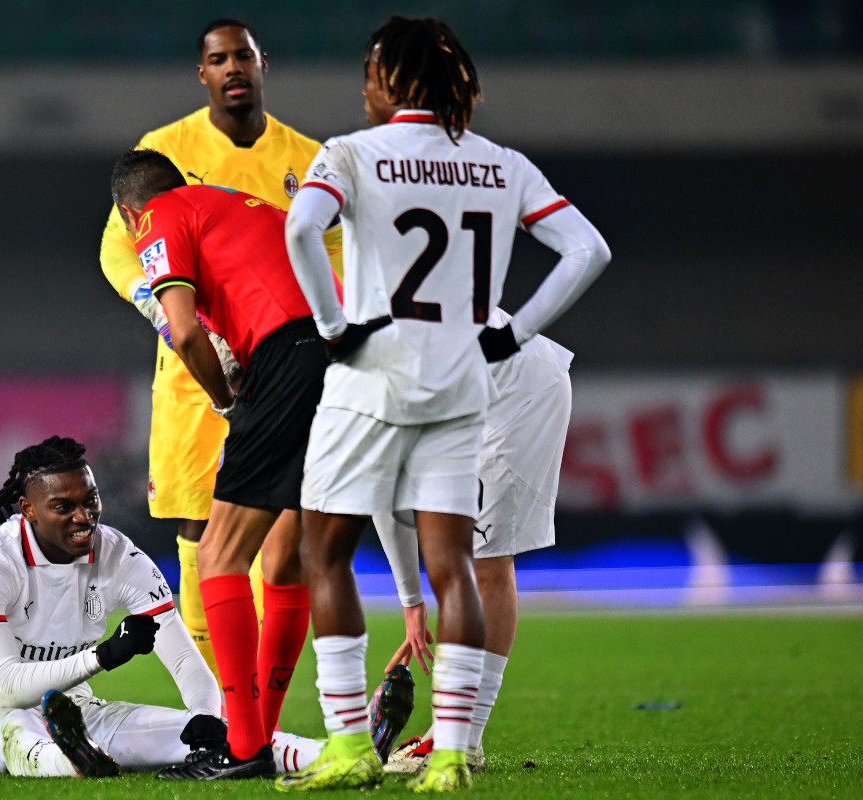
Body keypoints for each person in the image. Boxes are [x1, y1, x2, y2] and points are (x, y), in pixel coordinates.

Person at [280, 15, 610, 793]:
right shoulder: (501, 165)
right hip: (463, 378)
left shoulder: (350, 155)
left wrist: (335, 327)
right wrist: (514, 328)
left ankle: (350, 746)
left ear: (390, 79)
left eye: (369, 71)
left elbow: (302, 229)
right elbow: (587, 250)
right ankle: (455, 753)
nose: (363, 87)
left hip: (375, 373)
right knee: (454, 563)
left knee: (323, 552)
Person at [98, 17, 341, 682]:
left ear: (265, 65)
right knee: (198, 533)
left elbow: (337, 254)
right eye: (218, 59)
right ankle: (225, 700)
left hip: (276, 362)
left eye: (244, 56)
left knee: (275, 539)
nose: (233, 68)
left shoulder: (309, 157)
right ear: (201, 74)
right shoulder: (164, 149)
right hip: (196, 372)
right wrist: (156, 303)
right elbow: (119, 247)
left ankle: (251, 708)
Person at [110, 148, 337, 780]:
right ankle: (258, 736)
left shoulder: (157, 216)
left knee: (218, 555)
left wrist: (227, 402)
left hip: (285, 359)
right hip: (343, 354)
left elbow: (183, 333)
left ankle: (241, 747)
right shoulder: (242, 206)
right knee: (286, 559)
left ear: (130, 215)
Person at [0, 435, 323, 778]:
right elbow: (4, 690)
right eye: (63, 507)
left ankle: (328, 753)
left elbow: (183, 656)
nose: (83, 518)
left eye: (91, 500)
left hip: (76, 710)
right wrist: (100, 657)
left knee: (222, 734)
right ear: (28, 509)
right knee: (16, 731)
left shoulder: (116, 553)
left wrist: (203, 711)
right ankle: (70, 761)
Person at [372, 306, 576, 776]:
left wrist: (411, 603)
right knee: (461, 556)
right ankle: (454, 735)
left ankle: (459, 739)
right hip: (471, 390)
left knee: (481, 563)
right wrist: (411, 603)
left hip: (520, 393)